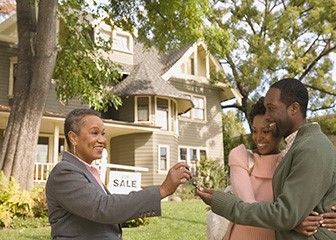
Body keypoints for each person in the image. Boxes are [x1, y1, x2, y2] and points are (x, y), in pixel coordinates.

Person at [197, 78, 336, 239]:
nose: (268, 116)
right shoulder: (299, 146)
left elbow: (286, 214)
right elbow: (293, 213)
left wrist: (224, 203)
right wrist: (293, 219)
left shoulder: (312, 147)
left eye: (271, 109)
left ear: (294, 109)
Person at [46, 108, 191, 240]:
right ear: (74, 138)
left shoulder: (87, 171)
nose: (102, 140)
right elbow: (104, 208)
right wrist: (162, 190)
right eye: (94, 133)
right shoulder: (64, 173)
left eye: (103, 134)